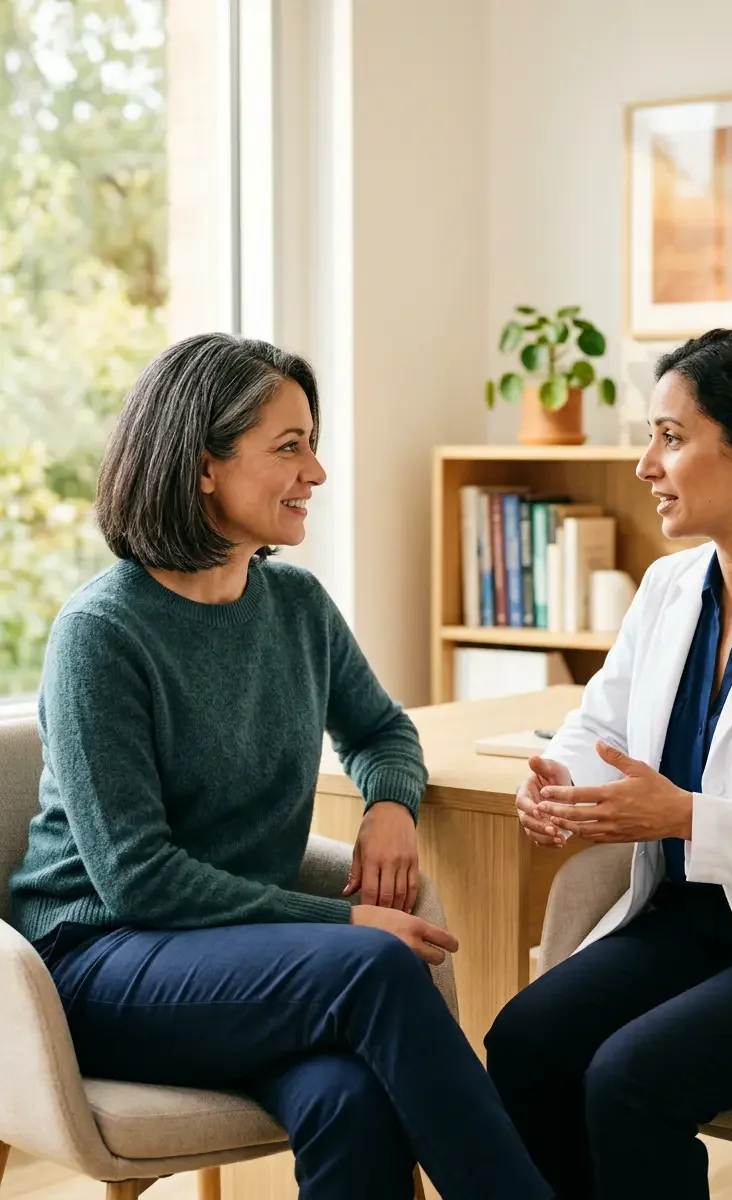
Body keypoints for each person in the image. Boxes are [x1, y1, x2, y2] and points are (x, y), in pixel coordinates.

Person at [10, 333, 552, 1200]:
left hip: (236, 961)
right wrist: (343, 924)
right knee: (377, 965)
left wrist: (390, 806)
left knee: (348, 1099)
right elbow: (138, 878)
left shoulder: (295, 604)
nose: (318, 473)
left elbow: (382, 729)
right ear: (204, 468)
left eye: (314, 444)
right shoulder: (101, 634)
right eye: (290, 447)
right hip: (97, 965)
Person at [485, 326, 732, 1199]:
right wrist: (558, 786)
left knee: (628, 1079)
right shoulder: (670, 588)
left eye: (670, 438)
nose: (646, 465)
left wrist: (687, 818)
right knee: (524, 1043)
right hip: (684, 923)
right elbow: (600, 726)